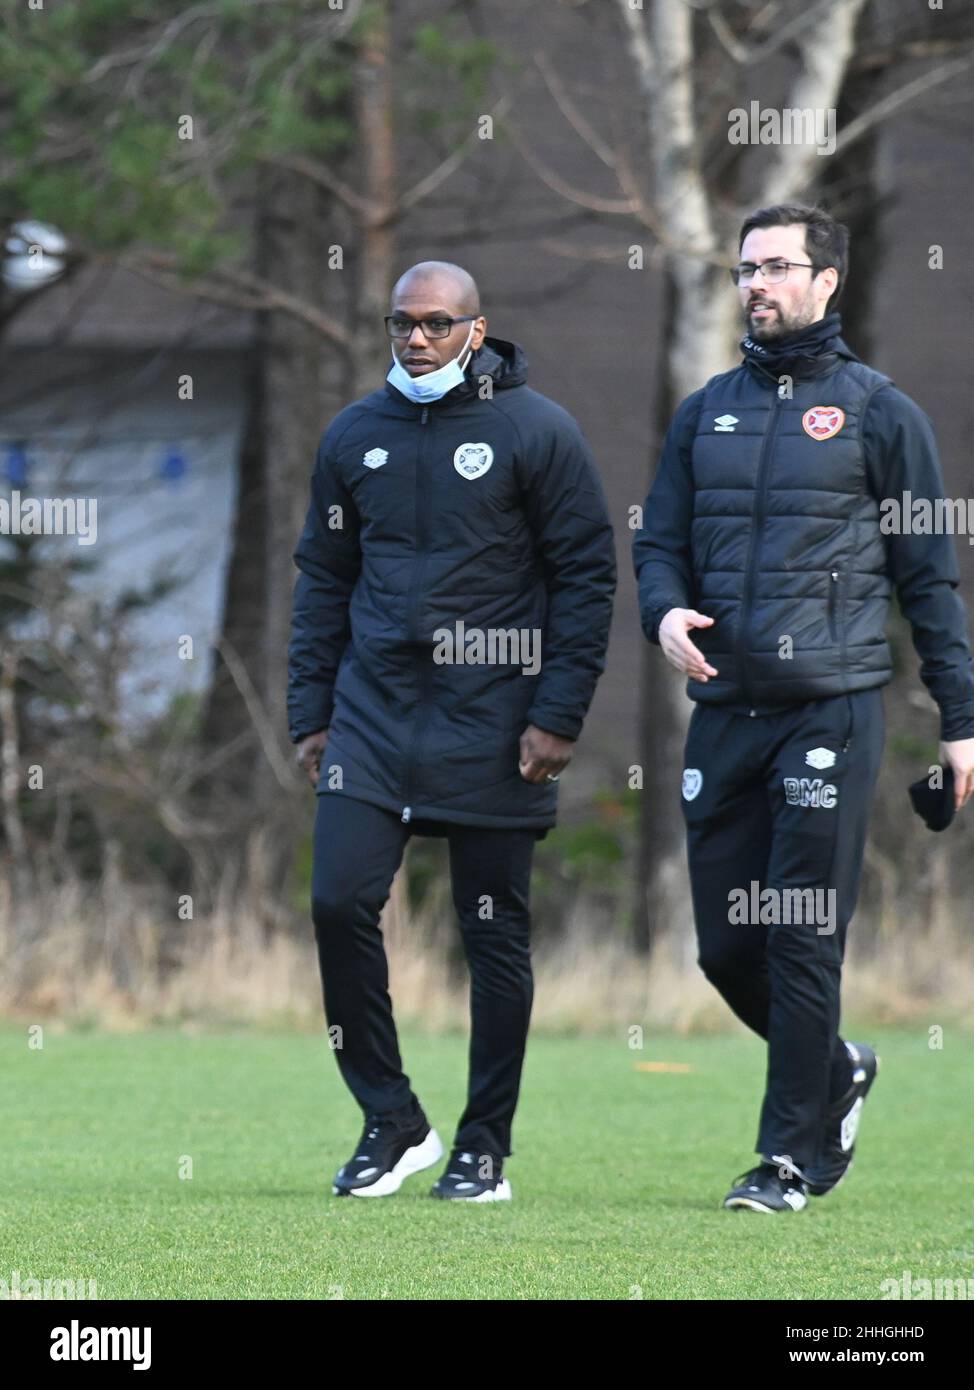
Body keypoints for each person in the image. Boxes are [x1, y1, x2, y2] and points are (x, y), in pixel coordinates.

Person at [633, 204, 974, 1213]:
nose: (756, 284)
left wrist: (958, 720)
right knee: (724, 947)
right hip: (724, 710)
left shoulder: (878, 412)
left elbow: (928, 581)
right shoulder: (703, 412)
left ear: (825, 280)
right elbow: (657, 541)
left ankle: (787, 1159)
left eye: (777, 266)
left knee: (798, 936)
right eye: (745, 268)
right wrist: (660, 614)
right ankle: (835, 1067)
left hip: (829, 708)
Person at [288, 260, 616, 1201]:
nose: (417, 340)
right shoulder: (355, 434)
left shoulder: (537, 431)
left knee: (491, 935)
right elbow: (323, 581)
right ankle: (392, 1121)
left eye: (436, 324)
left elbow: (586, 578)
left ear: (477, 329)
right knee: (337, 903)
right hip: (372, 718)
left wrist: (559, 714)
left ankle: (483, 1146)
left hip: (496, 721)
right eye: (402, 323)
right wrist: (311, 712)